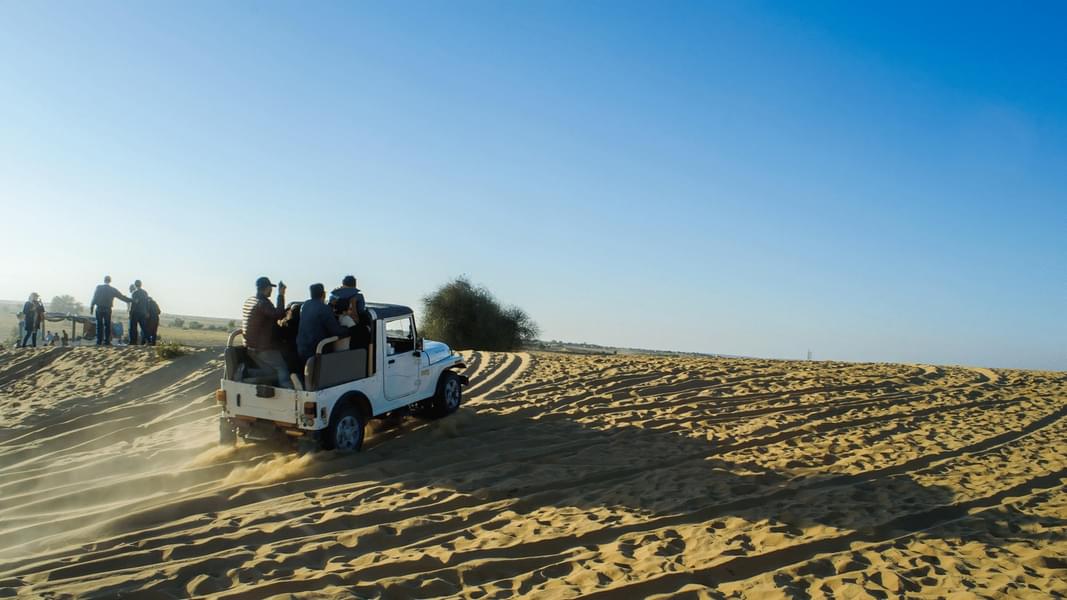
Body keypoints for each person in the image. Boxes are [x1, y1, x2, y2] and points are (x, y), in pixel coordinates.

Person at [242, 276, 291, 388]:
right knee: (282, 367)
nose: (272, 291)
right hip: (262, 348)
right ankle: (289, 390)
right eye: (271, 288)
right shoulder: (262, 303)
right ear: (267, 288)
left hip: (250, 346)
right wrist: (281, 294)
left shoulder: (250, 301)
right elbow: (279, 314)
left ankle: (248, 373)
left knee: (271, 372)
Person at [296, 283, 345, 363]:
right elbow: (336, 331)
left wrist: (330, 304)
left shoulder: (306, 305)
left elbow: (317, 313)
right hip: (317, 351)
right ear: (324, 294)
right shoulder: (324, 309)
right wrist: (349, 329)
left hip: (302, 349)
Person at [90, 275, 131, 346]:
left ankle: (98, 341)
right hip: (107, 309)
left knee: (99, 325)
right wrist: (131, 300)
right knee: (107, 325)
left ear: (104, 280)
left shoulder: (99, 287)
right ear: (110, 281)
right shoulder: (112, 290)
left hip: (99, 308)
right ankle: (107, 341)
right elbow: (121, 297)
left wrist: (91, 307)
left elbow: (94, 297)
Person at [129, 280, 150, 345]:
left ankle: (133, 342)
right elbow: (147, 303)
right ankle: (149, 340)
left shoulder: (134, 293)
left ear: (135, 285)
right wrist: (147, 312)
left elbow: (134, 304)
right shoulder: (145, 292)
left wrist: (130, 313)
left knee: (133, 328)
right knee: (144, 328)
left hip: (135, 312)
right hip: (143, 312)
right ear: (141, 284)